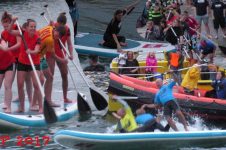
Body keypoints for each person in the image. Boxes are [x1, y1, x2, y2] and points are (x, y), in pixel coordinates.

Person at [31, 25, 67, 109]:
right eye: (56, 35)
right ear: (55, 31)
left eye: (58, 36)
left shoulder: (50, 27)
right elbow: (53, 55)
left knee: (50, 77)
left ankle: (48, 100)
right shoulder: (50, 40)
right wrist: (63, 60)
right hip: (36, 57)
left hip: (40, 57)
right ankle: (34, 103)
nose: (56, 37)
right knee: (41, 80)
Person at [17, 19, 42, 113]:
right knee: (20, 85)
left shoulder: (38, 38)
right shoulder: (22, 33)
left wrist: (30, 52)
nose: (33, 28)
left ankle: (41, 108)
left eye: (34, 27)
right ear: (26, 28)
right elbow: (10, 30)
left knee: (37, 85)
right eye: (31, 26)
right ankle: (22, 107)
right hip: (22, 62)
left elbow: (36, 50)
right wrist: (13, 21)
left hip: (34, 63)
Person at [52, 13, 74, 103]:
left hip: (61, 53)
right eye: (58, 24)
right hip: (51, 53)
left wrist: (71, 54)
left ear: (64, 24)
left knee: (65, 75)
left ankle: (65, 97)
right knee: (50, 75)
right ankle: (47, 98)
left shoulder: (67, 29)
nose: (60, 26)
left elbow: (69, 43)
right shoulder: (52, 26)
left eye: (62, 25)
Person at [0, 38, 15, 113]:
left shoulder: (1, 40)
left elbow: (5, 48)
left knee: (7, 85)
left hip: (9, 63)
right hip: (0, 65)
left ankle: (9, 107)